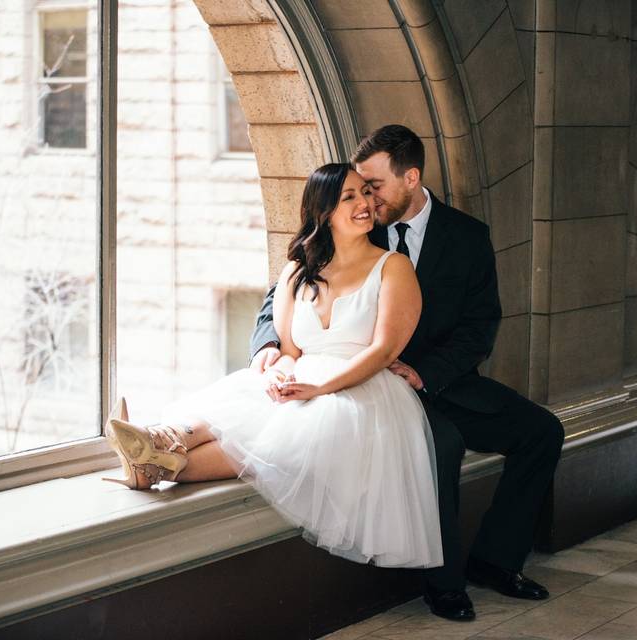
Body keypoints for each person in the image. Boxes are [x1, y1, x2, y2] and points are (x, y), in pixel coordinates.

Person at [250, 125, 565, 621]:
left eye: (373, 185)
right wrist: (268, 346)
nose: (366, 197)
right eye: (359, 187)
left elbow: (480, 328)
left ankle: (495, 561)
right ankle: (443, 584)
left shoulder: (467, 237)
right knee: (439, 447)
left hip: (440, 382)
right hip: (361, 384)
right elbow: (284, 290)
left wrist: (423, 372)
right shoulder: (352, 223)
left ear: (411, 178)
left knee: (543, 432)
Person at [103, 162, 444, 569]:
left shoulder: (393, 266)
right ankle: (158, 447)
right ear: (324, 211)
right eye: (349, 196)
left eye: (366, 193)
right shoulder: (298, 272)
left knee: (278, 435)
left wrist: (321, 387)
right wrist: (281, 370)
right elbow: (289, 348)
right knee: (250, 393)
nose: (365, 203)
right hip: (305, 377)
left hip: (363, 388)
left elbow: (385, 350)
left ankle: (155, 457)